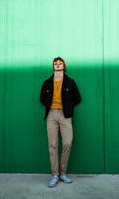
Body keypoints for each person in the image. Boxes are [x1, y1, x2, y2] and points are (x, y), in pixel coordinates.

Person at [40, 57, 81, 187]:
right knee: (52, 145)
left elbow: (77, 98)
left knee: (67, 142)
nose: (58, 65)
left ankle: (63, 173)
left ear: (64, 66)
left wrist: (68, 106)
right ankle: (55, 175)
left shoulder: (70, 82)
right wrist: (51, 108)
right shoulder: (46, 83)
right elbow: (42, 98)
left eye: (60, 63)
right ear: (53, 66)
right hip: (51, 114)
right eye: (55, 63)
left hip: (65, 114)